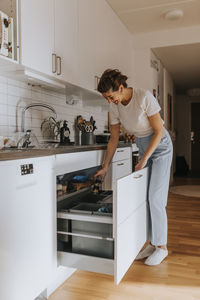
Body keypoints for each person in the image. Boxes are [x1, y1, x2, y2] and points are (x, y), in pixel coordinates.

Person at [94, 69, 173, 266]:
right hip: (143, 146)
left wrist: (144, 159)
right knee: (144, 198)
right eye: (106, 98)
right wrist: (105, 167)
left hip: (160, 146)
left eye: (111, 96)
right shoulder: (115, 106)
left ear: (120, 88)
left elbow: (158, 131)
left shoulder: (143, 97)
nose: (110, 101)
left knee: (156, 198)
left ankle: (162, 247)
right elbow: (113, 139)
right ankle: (151, 242)